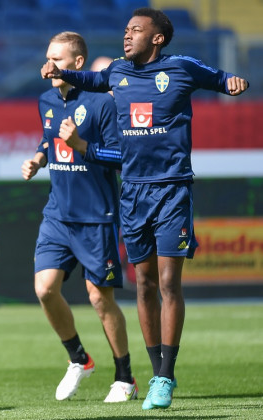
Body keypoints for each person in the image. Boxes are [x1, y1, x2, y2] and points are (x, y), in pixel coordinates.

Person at [41, 7, 249, 410]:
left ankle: (165, 377)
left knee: (170, 283)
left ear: (157, 38)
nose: (127, 35)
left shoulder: (181, 67)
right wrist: (60, 72)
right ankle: (155, 374)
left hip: (172, 190)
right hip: (133, 193)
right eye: (125, 29)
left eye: (136, 30)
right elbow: (93, 79)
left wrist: (233, 82)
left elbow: (220, 79)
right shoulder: (117, 72)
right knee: (145, 283)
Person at [22, 31, 136, 403]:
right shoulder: (46, 100)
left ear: (78, 63)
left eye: (57, 58)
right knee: (44, 289)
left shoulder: (103, 104)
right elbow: (48, 138)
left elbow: (122, 158)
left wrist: (82, 146)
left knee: (99, 299)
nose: (49, 64)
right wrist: (40, 158)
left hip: (96, 216)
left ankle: (125, 377)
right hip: (58, 213)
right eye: (47, 57)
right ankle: (79, 358)